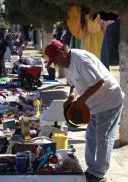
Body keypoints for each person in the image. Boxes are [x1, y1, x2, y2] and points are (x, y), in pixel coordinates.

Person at [44, 40, 124, 182]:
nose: (55, 64)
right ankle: (92, 169)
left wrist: (81, 101)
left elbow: (99, 81)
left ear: (61, 53)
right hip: (93, 105)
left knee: (103, 138)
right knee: (91, 137)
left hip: (109, 101)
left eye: (55, 60)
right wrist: (71, 97)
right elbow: (74, 84)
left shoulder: (81, 60)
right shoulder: (67, 64)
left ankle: (98, 174)